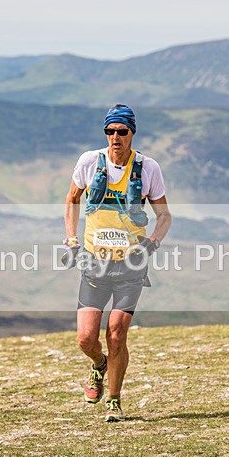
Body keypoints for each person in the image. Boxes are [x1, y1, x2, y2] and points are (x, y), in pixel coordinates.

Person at [63, 104, 172, 422]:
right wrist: (71, 239)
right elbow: (71, 199)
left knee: (116, 334)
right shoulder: (88, 161)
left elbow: (164, 214)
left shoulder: (147, 168)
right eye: (109, 131)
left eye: (121, 131)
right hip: (95, 261)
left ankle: (114, 399)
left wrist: (153, 243)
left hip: (130, 265)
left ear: (132, 133)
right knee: (86, 338)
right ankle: (99, 364)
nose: (115, 137)